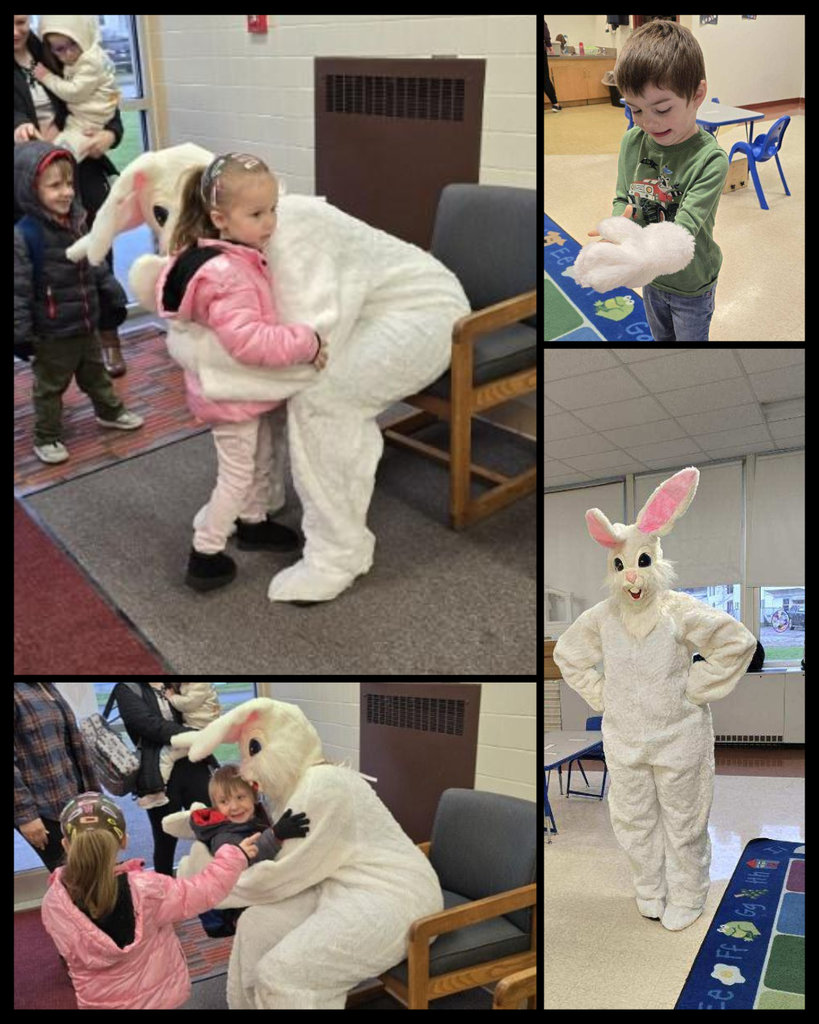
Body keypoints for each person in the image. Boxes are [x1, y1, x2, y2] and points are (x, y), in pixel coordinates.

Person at [155, 152, 328, 592]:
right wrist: (307, 342)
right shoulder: (226, 274)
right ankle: (205, 552)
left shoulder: (226, 255)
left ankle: (254, 523)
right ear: (220, 219)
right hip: (230, 396)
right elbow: (248, 342)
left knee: (261, 458)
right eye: (256, 214)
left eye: (273, 210)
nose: (269, 222)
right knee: (235, 476)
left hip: (243, 392)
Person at [41, 791, 261, 1009]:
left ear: (66, 844)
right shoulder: (146, 890)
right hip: (158, 1000)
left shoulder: (54, 902)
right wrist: (235, 856)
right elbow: (203, 891)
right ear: (124, 841)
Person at [13, 141, 144, 464]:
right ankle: (46, 437)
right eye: (55, 185)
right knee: (50, 388)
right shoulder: (24, 235)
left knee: (96, 375)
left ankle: (110, 412)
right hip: (52, 332)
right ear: (31, 189)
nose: (66, 192)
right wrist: (20, 334)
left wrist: (112, 293)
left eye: (69, 183)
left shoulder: (77, 222)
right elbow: (18, 289)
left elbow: (94, 262)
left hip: (86, 322)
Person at [604, 20, 728, 340]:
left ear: (697, 94)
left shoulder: (710, 159)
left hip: (691, 286)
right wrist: (618, 227)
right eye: (635, 110)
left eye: (661, 109)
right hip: (652, 280)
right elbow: (623, 198)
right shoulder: (632, 142)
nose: (648, 123)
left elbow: (683, 229)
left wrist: (633, 256)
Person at [33, 15, 120, 163]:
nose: (69, 53)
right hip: (82, 118)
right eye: (59, 49)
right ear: (50, 49)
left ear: (83, 36)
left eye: (73, 43)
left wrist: (47, 78)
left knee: (61, 158)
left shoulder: (90, 61)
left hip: (88, 120)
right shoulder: (86, 56)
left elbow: (74, 92)